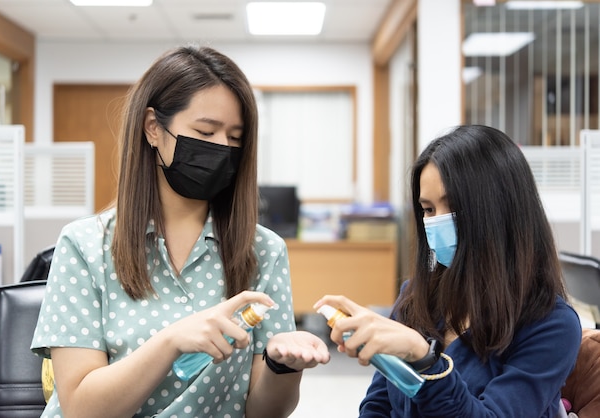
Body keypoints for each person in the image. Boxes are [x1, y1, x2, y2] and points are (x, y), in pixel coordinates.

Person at [31, 44, 330, 418]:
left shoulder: (263, 250)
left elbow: (264, 412)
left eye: (235, 138)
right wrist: (171, 341)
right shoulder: (85, 246)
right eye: (206, 131)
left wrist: (282, 365)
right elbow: (82, 410)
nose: (222, 147)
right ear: (153, 128)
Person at [314, 125, 582, 417]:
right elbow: (378, 404)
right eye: (428, 210)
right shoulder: (416, 297)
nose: (437, 222)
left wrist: (424, 360)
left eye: (453, 206)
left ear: (500, 210)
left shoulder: (551, 324)